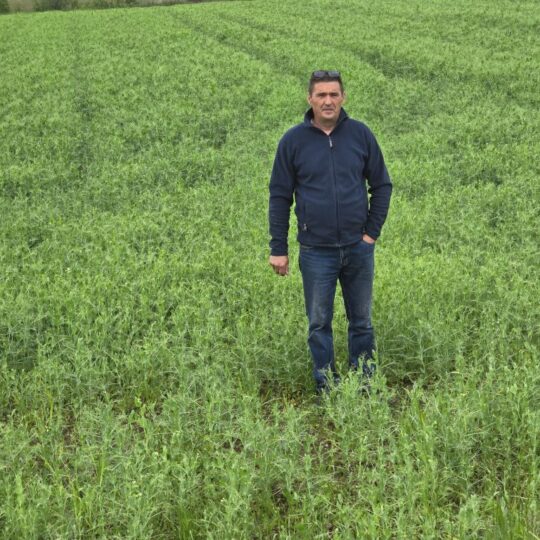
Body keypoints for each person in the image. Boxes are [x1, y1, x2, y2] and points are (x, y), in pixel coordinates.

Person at [268, 70, 392, 395]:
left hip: (357, 247)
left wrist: (370, 234)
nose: (328, 101)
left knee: (361, 321)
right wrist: (278, 248)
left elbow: (382, 185)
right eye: (321, 95)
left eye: (334, 94)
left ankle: (365, 383)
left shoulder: (360, 134)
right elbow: (279, 196)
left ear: (343, 98)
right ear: (309, 99)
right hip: (315, 251)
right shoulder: (293, 141)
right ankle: (327, 386)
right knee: (319, 323)